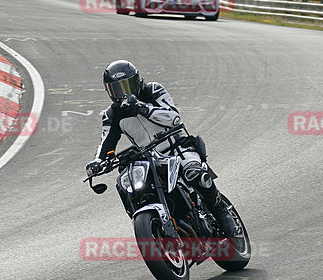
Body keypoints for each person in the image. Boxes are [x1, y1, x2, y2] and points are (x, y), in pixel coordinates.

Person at [86, 59, 238, 237]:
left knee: (195, 173)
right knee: (131, 189)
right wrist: (98, 161)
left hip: (177, 149)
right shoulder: (111, 114)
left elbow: (173, 118)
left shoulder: (153, 91)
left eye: (127, 86)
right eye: (117, 89)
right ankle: (154, 226)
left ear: (137, 82)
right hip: (150, 161)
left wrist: (142, 107)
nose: (123, 93)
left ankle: (221, 211)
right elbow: (106, 143)